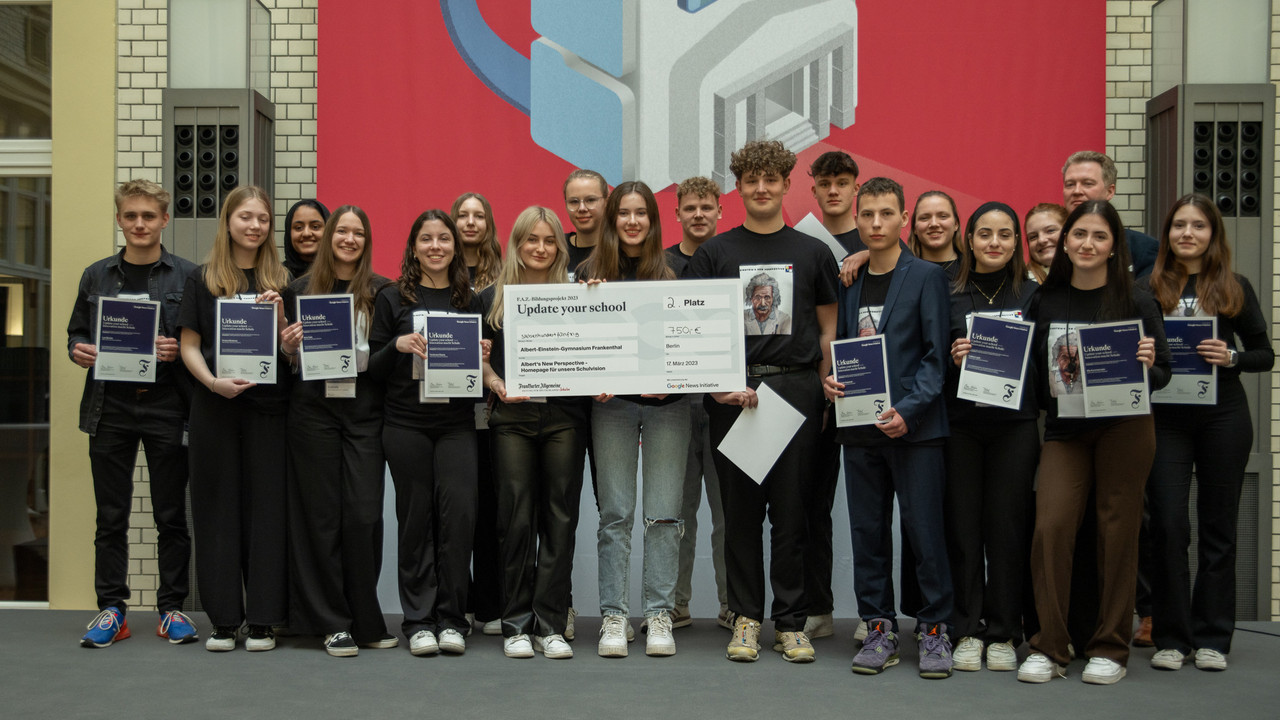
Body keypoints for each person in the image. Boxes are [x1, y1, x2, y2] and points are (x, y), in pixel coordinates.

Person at [687, 139, 837, 664]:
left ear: (786, 184)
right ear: (739, 187)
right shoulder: (715, 253)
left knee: (793, 513)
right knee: (742, 515)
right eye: (751, 180)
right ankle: (747, 618)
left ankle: (790, 622)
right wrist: (714, 387)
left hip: (796, 391)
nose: (761, 189)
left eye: (770, 179)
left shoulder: (812, 252)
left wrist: (821, 388)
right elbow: (696, 328)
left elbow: (827, 327)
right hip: (735, 394)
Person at [1017, 199, 1171, 685]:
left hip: (1126, 428)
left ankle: (1110, 647)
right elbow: (1034, 378)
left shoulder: (1138, 300)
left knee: (1117, 534)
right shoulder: (1046, 299)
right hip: (1065, 430)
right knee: (1051, 528)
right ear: (1065, 242)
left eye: (1099, 237)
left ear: (1113, 247)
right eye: (1079, 234)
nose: (1087, 244)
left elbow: (1163, 374)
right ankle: (1049, 646)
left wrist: (1148, 362)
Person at [824, 176, 955, 679]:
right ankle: (877, 626)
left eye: (886, 214)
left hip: (914, 431)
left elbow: (934, 357)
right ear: (856, 221)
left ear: (904, 219)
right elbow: (844, 346)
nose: (876, 223)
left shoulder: (926, 277)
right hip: (859, 430)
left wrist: (910, 409)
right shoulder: (847, 277)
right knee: (868, 533)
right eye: (867, 215)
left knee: (924, 532)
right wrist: (833, 381)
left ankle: (934, 630)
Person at [1142, 194, 1273, 672]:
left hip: (1224, 419)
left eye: (1198, 226)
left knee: (1219, 528)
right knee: (1170, 527)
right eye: (1179, 225)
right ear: (1168, 234)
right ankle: (1172, 638)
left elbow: (1264, 354)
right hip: (1167, 420)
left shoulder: (1234, 286)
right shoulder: (1148, 286)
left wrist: (1233, 357)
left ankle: (1213, 636)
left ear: (1213, 234)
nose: (1188, 234)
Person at [68, 179, 200, 648]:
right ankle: (112, 610)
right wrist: (79, 351)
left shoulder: (188, 276)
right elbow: (76, 334)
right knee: (111, 515)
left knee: (170, 515)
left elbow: (201, 344)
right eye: (131, 216)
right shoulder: (96, 275)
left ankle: (172, 609)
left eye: (148, 216)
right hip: (111, 408)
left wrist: (177, 348)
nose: (139, 224)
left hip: (168, 408)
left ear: (165, 220)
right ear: (120, 219)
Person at [177, 185, 292, 652]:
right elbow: (187, 345)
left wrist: (283, 316)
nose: (255, 226)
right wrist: (212, 384)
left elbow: (290, 351)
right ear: (228, 222)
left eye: (262, 218)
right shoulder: (202, 279)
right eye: (246, 217)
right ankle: (225, 621)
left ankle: (262, 620)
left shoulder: (282, 280)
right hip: (215, 409)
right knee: (217, 512)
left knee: (267, 513)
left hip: (268, 413)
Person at [577, 181, 687, 658]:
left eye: (641, 213)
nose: (632, 221)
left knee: (663, 514)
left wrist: (676, 381)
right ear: (611, 219)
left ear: (653, 220)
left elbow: (691, 344)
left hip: (670, 409)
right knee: (614, 514)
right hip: (612, 407)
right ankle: (614, 617)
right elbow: (576, 345)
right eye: (624, 213)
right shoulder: (587, 273)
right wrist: (590, 367)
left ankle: (658, 614)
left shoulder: (677, 271)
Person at [279, 206, 396, 657]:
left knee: (364, 517)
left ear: (367, 240)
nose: (348, 239)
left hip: (365, 415)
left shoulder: (383, 290)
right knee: (321, 519)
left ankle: (365, 619)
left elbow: (386, 360)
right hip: (313, 415)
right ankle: (331, 623)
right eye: (341, 231)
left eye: (357, 233)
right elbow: (290, 363)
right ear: (329, 238)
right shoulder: (299, 291)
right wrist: (288, 349)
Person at [369, 210, 482, 657]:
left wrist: (481, 353)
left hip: (456, 426)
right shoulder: (392, 297)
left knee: (458, 519)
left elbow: (476, 370)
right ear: (413, 247)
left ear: (455, 246)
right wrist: (396, 346)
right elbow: (371, 367)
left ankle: (453, 619)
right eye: (426, 239)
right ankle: (418, 620)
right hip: (405, 425)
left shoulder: (468, 299)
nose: (436, 246)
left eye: (444, 239)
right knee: (415, 522)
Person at [481, 206, 590, 660]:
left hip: (566, 417)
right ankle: (516, 625)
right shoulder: (491, 297)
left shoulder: (579, 295)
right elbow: (479, 361)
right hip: (512, 421)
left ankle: (550, 624)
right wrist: (494, 382)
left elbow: (600, 349)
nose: (541, 248)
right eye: (532, 240)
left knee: (560, 519)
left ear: (559, 247)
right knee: (516, 519)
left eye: (549, 241)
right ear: (517, 244)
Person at [942, 202, 1040, 672]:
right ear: (969, 239)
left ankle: (1003, 632)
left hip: (1015, 429)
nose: (994, 242)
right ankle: (967, 630)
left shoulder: (1033, 295)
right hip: (961, 428)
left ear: (1016, 241)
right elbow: (924, 359)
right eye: (985, 234)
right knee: (963, 530)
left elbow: (1047, 369)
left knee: (1006, 530)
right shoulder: (949, 294)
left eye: (1004, 234)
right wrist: (953, 356)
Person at [803, 150, 862, 643]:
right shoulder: (802, 242)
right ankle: (817, 606)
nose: (834, 190)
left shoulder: (882, 243)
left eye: (843, 182)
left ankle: (874, 610)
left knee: (872, 504)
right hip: (820, 387)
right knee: (811, 504)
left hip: (872, 389)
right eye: (825, 183)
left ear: (856, 186)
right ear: (813, 188)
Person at [666, 177, 730, 630]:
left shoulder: (734, 257)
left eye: (706, 207)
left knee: (728, 511)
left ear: (721, 210)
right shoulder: (661, 263)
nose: (699, 215)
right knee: (676, 509)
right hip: (673, 402)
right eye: (690, 208)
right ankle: (674, 604)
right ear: (677, 214)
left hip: (725, 400)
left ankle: (731, 603)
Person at [450, 192, 503, 636]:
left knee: (490, 507)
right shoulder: (436, 273)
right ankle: (459, 601)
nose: (470, 223)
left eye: (478, 215)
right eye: (462, 216)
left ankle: (490, 602)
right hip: (447, 410)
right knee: (454, 508)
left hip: (491, 408)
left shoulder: (506, 277)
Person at [1062, 151, 1157, 278]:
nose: (1077, 191)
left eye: (1088, 183)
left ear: (1110, 191)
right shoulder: (1051, 241)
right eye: (1070, 184)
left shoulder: (1142, 248)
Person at [907, 191, 964, 281]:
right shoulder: (901, 272)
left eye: (943, 216)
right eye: (924, 218)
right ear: (914, 228)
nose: (934, 224)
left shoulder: (973, 270)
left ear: (956, 224)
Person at [563, 168, 609, 279]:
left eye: (590, 200)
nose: (582, 208)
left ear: (607, 202)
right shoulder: (556, 249)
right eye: (574, 202)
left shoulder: (623, 249)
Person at [282, 199, 330, 279]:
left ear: (329, 230)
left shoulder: (342, 274)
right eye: (298, 228)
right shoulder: (274, 278)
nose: (306, 233)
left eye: (315, 227)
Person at [1025, 203, 1066, 284]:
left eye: (1050, 231)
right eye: (1033, 237)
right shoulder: (1022, 285)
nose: (1041, 240)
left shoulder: (1090, 276)